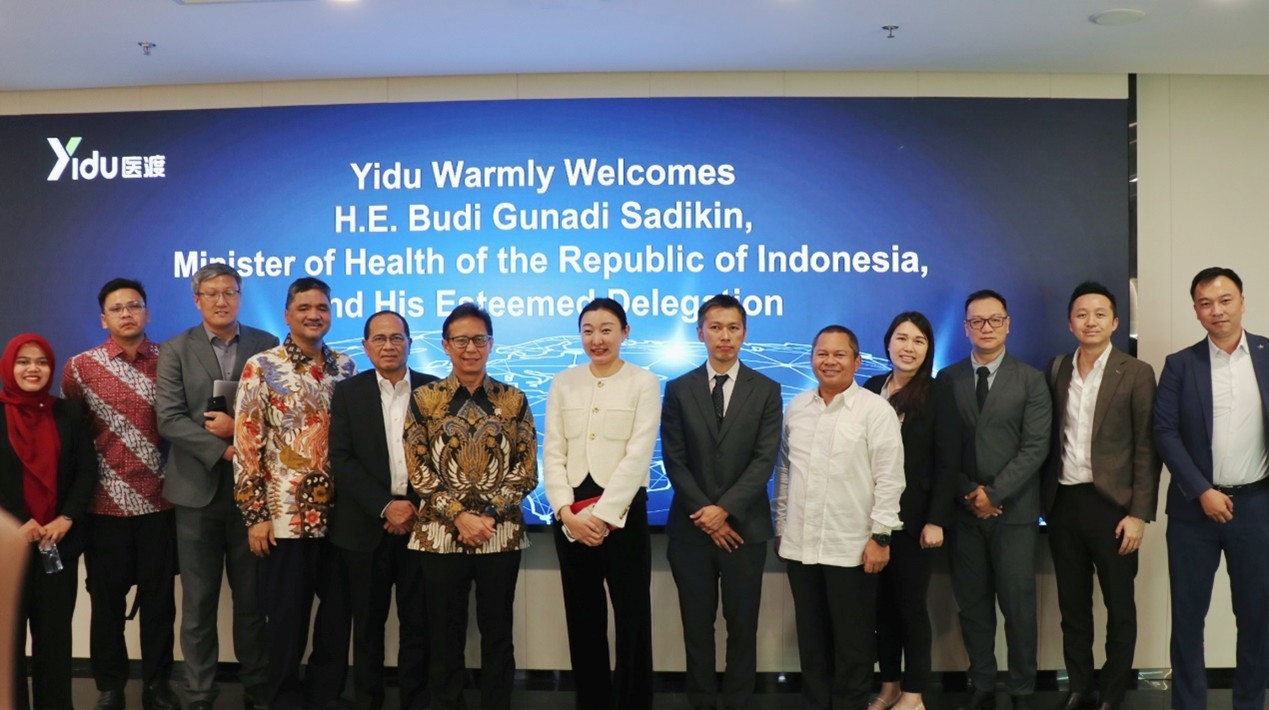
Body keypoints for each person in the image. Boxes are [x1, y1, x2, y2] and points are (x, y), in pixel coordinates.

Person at [404, 303, 537, 710]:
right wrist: (460, 516)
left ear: (491, 344)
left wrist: (489, 516)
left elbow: (526, 470)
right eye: (460, 340)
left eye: (479, 339)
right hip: (440, 535)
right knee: (444, 635)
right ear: (446, 346)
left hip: (500, 534)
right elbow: (418, 469)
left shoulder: (513, 399)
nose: (470, 348)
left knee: (498, 634)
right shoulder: (424, 399)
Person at [156, 262, 276, 710]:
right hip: (196, 493)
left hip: (254, 497)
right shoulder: (175, 349)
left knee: (252, 602)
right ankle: (200, 693)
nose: (222, 301)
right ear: (197, 300)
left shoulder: (266, 345)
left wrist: (238, 436)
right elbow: (169, 419)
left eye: (230, 292)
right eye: (212, 293)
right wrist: (225, 451)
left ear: (240, 297)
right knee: (199, 603)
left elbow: (280, 414)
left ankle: (258, 689)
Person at [234, 277, 355, 709]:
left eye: (321, 307)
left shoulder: (345, 367)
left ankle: (325, 693)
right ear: (287, 314)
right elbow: (247, 445)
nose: (313, 315)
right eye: (304, 307)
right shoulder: (262, 366)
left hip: (341, 516)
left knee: (337, 615)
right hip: (285, 517)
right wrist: (256, 516)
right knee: (286, 616)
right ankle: (283, 696)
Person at [1154, 267, 1269, 710]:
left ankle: (1250, 703)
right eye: (1205, 303)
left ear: (1242, 301)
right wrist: (1201, 490)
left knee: (1257, 616)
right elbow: (1164, 432)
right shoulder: (1180, 365)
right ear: (1196, 311)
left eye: (1225, 300)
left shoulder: (1266, 355)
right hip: (1193, 511)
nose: (1216, 310)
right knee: (1187, 618)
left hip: (1256, 506)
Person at [62, 278, 180, 710]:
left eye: (134, 305)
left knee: (159, 603)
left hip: (161, 502)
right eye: (117, 308)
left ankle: (157, 685)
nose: (127, 313)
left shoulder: (171, 360)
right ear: (104, 319)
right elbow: (73, 438)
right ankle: (110, 686)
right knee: (106, 604)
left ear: (147, 312)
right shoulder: (80, 368)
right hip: (103, 505)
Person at [661, 293, 783, 710]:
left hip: (744, 530)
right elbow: (675, 459)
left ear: (744, 333)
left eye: (733, 328)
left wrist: (725, 510)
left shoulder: (766, 390)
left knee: (742, 627)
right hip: (690, 531)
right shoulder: (679, 389)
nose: (724, 336)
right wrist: (707, 515)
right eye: (715, 327)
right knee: (696, 628)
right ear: (701, 333)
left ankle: (738, 703)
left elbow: (764, 459)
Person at [1042, 282, 1160, 710]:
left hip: (1114, 508)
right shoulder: (1057, 368)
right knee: (1072, 606)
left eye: (1099, 314)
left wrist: (1138, 514)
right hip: (1063, 503)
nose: (1090, 321)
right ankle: (1080, 686)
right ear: (1070, 322)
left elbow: (1147, 447)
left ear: (1114, 321)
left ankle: (1113, 691)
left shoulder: (1136, 372)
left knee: (1119, 606)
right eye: (1081, 314)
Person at [775, 325, 905, 710]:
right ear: (812, 358)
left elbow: (890, 478)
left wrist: (881, 536)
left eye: (839, 354)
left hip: (852, 548)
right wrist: (781, 527)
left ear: (857, 361)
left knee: (854, 645)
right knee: (812, 643)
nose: (829, 361)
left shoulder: (875, 410)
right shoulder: (797, 408)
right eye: (822, 353)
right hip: (801, 546)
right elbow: (785, 472)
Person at [937, 289, 1050, 710]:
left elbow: (1035, 447)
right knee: (973, 605)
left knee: (1018, 607)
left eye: (994, 320)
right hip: (964, 511)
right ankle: (981, 681)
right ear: (966, 328)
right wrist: (970, 493)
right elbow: (941, 448)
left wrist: (995, 493)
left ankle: (1021, 687)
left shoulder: (1031, 379)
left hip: (1015, 512)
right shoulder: (947, 379)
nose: (986, 328)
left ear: (1008, 324)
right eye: (977, 321)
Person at [544, 297, 659, 710]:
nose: (597, 338)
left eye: (607, 329)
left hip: (624, 512)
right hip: (573, 515)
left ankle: (633, 701)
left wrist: (604, 515)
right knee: (583, 617)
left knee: (632, 617)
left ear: (625, 332)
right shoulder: (564, 382)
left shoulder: (644, 382)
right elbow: (553, 451)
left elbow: (639, 454)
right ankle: (591, 701)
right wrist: (565, 513)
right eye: (588, 330)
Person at [329, 310, 438, 710]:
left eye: (396, 338)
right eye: (379, 338)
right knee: (367, 626)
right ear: (366, 346)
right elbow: (342, 459)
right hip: (364, 527)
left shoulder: (433, 391)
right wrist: (385, 506)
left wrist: (412, 507)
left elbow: (445, 460)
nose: (388, 345)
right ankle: (368, 701)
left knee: (419, 624)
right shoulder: (348, 393)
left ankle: (416, 700)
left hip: (422, 525)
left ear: (410, 343)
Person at [862, 312, 961, 710]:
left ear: (928, 349)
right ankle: (889, 686)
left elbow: (947, 462)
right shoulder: (871, 387)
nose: (909, 347)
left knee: (910, 607)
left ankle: (915, 693)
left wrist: (936, 519)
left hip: (914, 521)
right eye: (902, 338)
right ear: (888, 343)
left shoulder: (938, 393)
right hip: (870, 518)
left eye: (919, 341)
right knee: (880, 609)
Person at [0, 334, 95, 710]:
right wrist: (19, 522)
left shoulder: (68, 413)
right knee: (7, 642)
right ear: (9, 366)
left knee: (54, 640)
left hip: (57, 543)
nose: (33, 369)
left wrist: (66, 518)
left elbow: (86, 471)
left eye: (41, 362)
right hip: (7, 546)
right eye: (23, 361)